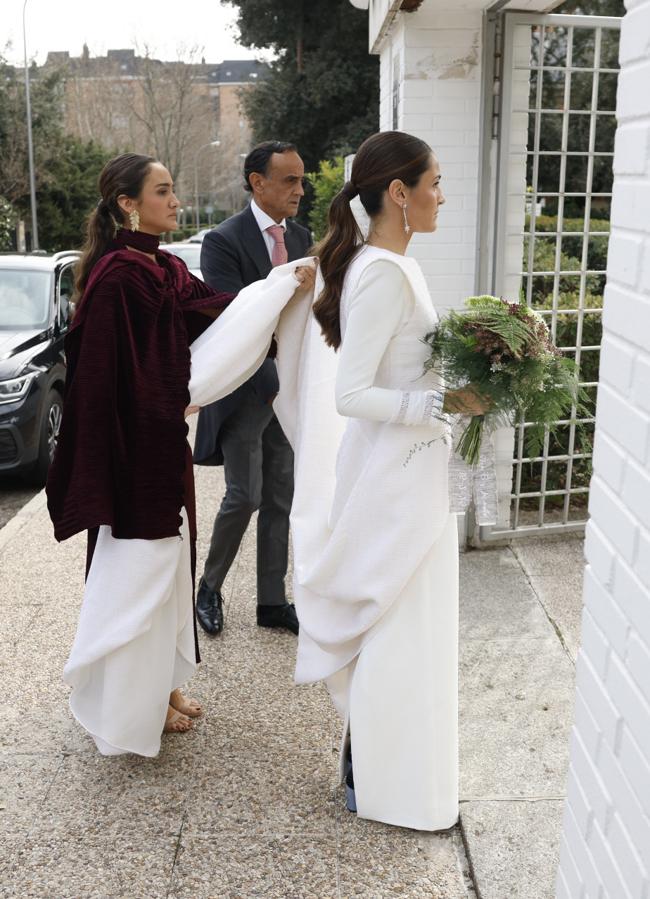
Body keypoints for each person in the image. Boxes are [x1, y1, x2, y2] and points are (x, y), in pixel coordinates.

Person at [187, 130, 489, 830]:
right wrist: (447, 403)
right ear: (398, 193)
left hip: (412, 467)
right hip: (392, 472)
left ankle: (392, 772)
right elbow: (351, 394)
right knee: (392, 623)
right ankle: (381, 777)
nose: (443, 194)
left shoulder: (392, 264)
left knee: (406, 626)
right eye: (435, 181)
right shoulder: (381, 271)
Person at [45, 152, 313, 757]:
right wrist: (169, 400)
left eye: (173, 190)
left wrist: (278, 292)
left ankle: (161, 689)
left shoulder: (160, 267)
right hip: (134, 456)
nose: (176, 201)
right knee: (140, 574)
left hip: (161, 446)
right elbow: (106, 378)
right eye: (163, 191)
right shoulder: (119, 275)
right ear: (127, 203)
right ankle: (126, 703)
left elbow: (214, 312)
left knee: (169, 573)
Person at [193, 141, 312, 637]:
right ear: (257, 182)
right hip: (245, 393)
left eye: (302, 181)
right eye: (289, 180)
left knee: (282, 497)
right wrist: (270, 379)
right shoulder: (222, 240)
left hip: (288, 394)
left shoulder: (304, 237)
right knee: (245, 496)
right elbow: (231, 318)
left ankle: (271, 602)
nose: (299, 191)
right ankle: (209, 587)